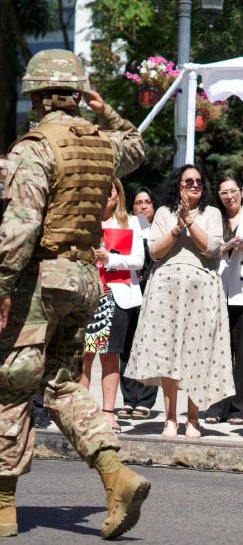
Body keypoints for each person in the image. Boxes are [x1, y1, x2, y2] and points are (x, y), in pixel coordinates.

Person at [0, 48, 149, 539]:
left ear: (37, 97)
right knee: (62, 384)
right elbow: (138, 146)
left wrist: (1, 287)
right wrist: (105, 109)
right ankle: (116, 475)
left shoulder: (34, 148)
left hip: (38, 283)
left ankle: (3, 505)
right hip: (84, 280)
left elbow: (19, 230)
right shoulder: (103, 144)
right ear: (79, 95)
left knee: (12, 386)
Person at [126, 165, 233, 439]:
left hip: (201, 293)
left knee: (197, 353)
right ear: (178, 185)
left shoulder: (212, 213)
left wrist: (191, 221)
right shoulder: (163, 213)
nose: (195, 185)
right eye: (189, 181)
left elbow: (211, 248)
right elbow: (155, 252)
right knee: (168, 355)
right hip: (166, 293)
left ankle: (194, 418)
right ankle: (171, 418)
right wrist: (178, 226)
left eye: (199, 181)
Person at [82, 179, 144, 434]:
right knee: (83, 357)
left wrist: (112, 259)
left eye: (110, 192)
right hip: (86, 296)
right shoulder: (84, 223)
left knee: (111, 357)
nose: (105, 197)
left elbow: (139, 260)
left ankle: (108, 413)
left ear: (117, 195)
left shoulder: (129, 223)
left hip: (115, 297)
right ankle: (83, 413)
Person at [205, 176, 243, 426]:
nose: (229, 196)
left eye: (233, 191)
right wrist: (222, 248)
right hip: (219, 291)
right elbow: (204, 251)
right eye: (224, 192)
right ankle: (218, 405)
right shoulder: (213, 220)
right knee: (218, 354)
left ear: (242, 191)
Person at [118, 188, 158, 420]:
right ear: (132, 207)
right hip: (128, 290)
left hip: (152, 291)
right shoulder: (126, 228)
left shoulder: (159, 230)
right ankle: (128, 399)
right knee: (126, 346)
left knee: (148, 345)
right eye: (138, 202)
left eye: (147, 202)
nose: (143, 206)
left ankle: (144, 400)